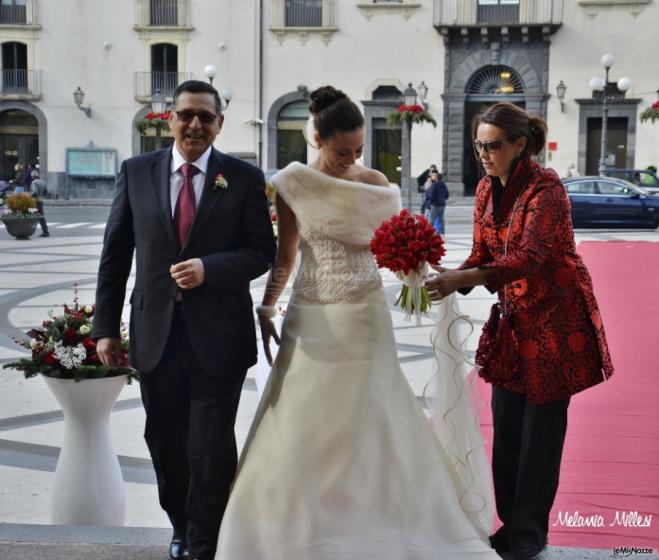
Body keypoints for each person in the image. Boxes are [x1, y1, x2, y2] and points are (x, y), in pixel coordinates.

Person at [214, 86, 500, 560]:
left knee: (376, 414)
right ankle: (294, 525)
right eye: (341, 150)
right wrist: (266, 307)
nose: (351, 159)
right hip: (313, 314)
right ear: (317, 138)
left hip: (366, 315)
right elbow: (286, 256)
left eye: (358, 150)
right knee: (303, 420)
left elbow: (394, 245)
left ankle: (386, 516)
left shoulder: (376, 183)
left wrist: (418, 267)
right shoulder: (292, 183)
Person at [92, 80, 276, 560]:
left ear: (220, 122)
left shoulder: (243, 176)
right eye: (187, 114)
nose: (196, 124)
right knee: (166, 441)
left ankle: (202, 541)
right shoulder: (135, 173)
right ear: (168, 118)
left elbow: (262, 252)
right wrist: (106, 328)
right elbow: (115, 257)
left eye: (206, 117)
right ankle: (181, 522)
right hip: (157, 335)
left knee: (210, 445)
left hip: (220, 337)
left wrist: (209, 269)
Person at [425, 102, 614, 560]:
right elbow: (481, 251)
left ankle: (530, 533)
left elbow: (528, 257)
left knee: (541, 433)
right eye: (478, 145)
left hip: (556, 322)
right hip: (514, 322)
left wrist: (463, 279)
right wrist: (444, 274)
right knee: (508, 427)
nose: (484, 154)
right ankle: (510, 525)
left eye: (493, 145)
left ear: (519, 145)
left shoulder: (546, 188)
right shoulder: (488, 190)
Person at [427, 169, 449, 234]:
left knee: (431, 220)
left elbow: (432, 196)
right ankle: (442, 233)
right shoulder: (443, 184)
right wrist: (443, 199)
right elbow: (447, 195)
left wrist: (430, 203)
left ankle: (429, 233)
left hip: (435, 205)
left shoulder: (434, 185)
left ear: (436, 177)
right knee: (441, 219)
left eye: (434, 176)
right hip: (442, 205)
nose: (432, 177)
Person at [29, 170, 50, 237]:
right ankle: (45, 231)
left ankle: (27, 231)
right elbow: (46, 192)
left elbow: (35, 192)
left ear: (32, 176)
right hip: (40, 201)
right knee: (41, 217)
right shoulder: (42, 182)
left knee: (30, 214)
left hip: (35, 202)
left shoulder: (34, 182)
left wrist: (29, 196)